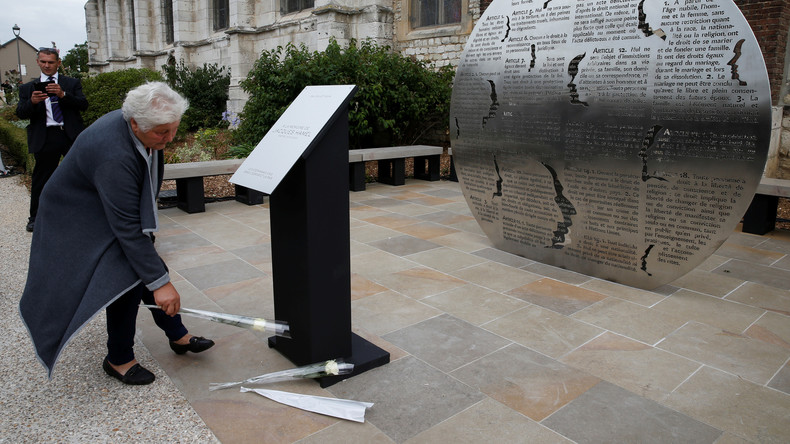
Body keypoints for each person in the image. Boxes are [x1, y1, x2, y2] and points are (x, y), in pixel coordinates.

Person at [19, 82, 214, 386]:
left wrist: (157, 276)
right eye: (163, 132)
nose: (170, 137)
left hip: (100, 199)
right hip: (75, 214)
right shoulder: (114, 155)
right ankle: (118, 358)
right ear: (135, 123)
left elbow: (136, 217)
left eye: (174, 129)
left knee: (146, 267)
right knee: (126, 276)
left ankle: (177, 335)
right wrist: (159, 281)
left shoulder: (143, 129)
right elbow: (128, 229)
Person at [16, 47, 89, 232]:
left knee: (81, 175)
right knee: (42, 179)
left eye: (51, 62)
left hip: (69, 135)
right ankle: (36, 217)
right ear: (38, 62)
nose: (47, 65)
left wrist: (63, 95)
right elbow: (20, 114)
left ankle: (85, 213)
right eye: (43, 62)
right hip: (46, 136)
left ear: (58, 63)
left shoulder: (71, 83)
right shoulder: (28, 88)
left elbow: (83, 104)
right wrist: (32, 102)